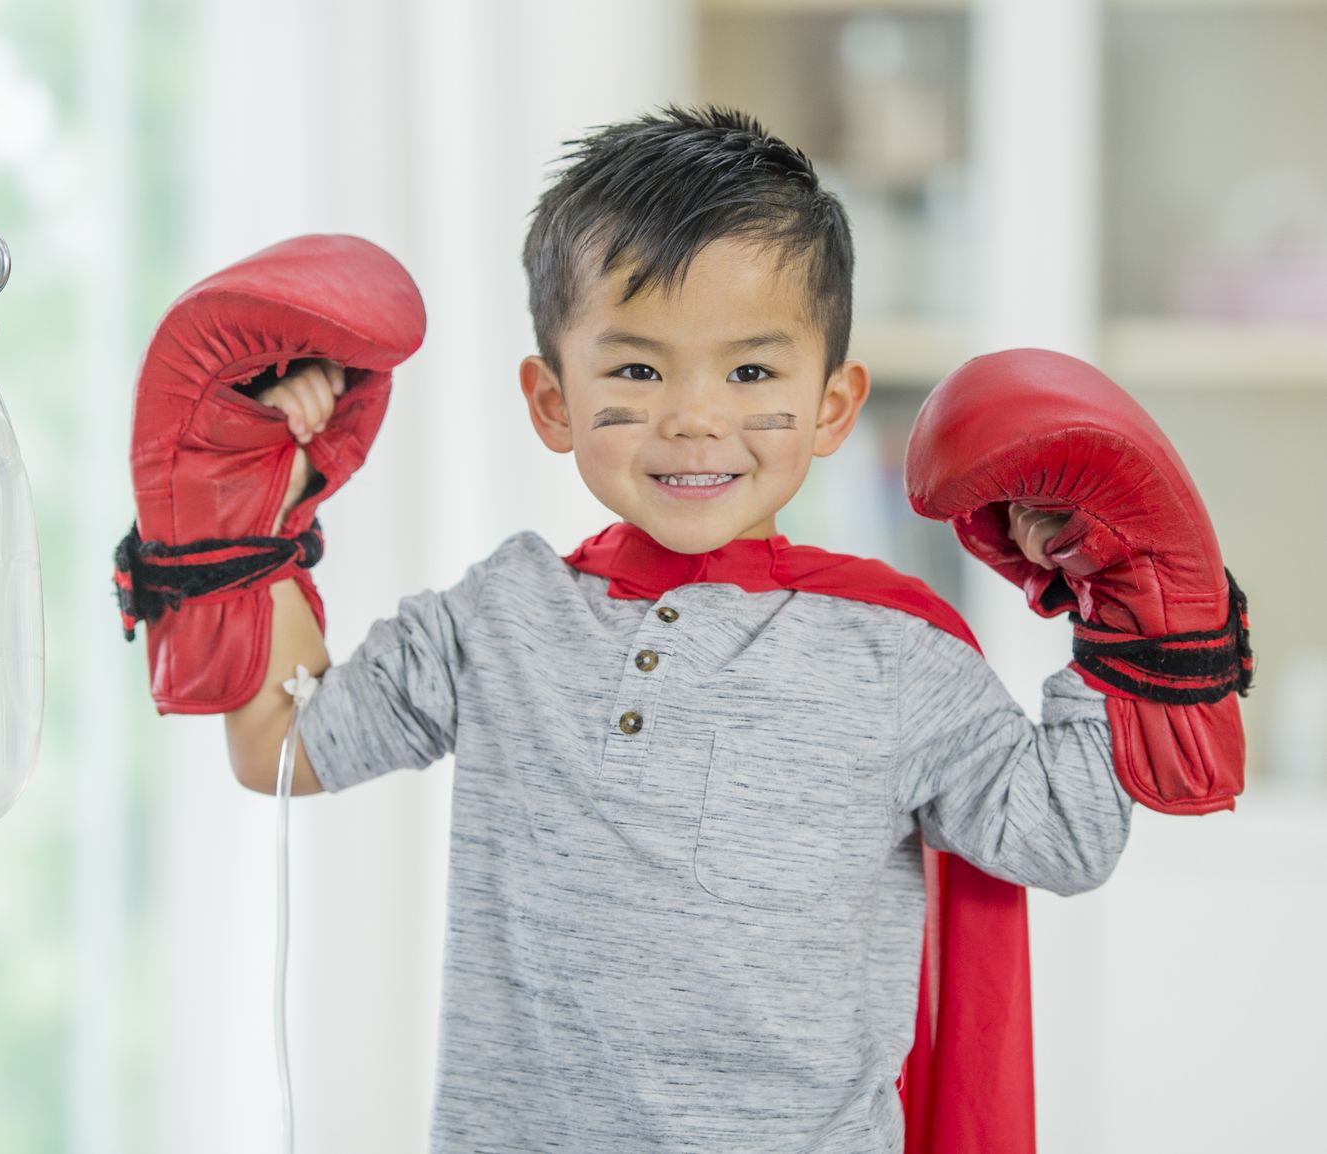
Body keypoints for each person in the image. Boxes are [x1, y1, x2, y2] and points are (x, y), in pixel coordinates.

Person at [221, 105, 1131, 1153]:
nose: (695, 417)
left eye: (751, 372)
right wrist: (263, 504)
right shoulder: (501, 617)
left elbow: (1064, 836)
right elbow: (282, 747)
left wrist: (1121, 599)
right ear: (552, 399)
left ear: (833, 405)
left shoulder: (898, 652)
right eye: (638, 370)